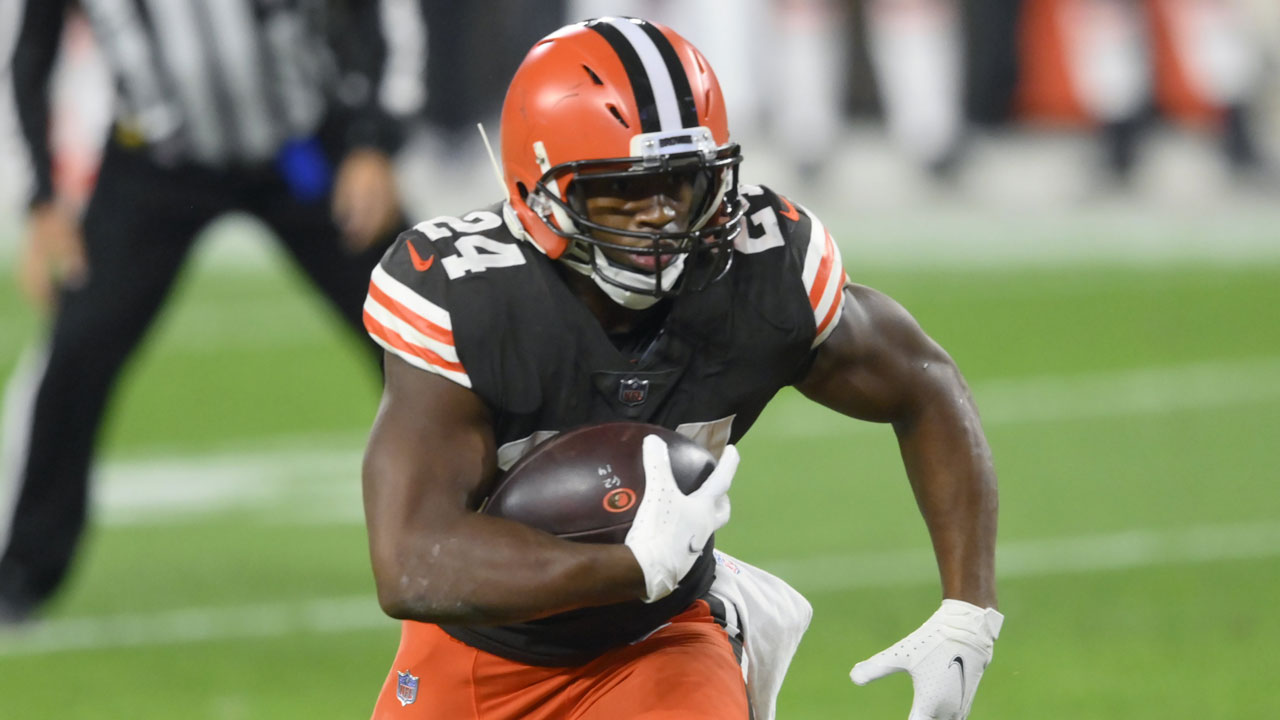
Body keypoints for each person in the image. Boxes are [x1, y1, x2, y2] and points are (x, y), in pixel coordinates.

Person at [361, 16, 1002, 720]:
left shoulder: (762, 271)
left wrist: (968, 611)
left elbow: (927, 386)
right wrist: (628, 568)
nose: (660, 215)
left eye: (681, 182)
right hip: (478, 650)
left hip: (659, 639)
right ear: (539, 188)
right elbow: (411, 559)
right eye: (623, 189)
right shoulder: (469, 294)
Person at [0, 0, 406, 623]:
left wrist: (371, 143)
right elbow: (34, 52)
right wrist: (44, 200)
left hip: (301, 149)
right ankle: (25, 570)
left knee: (426, 328)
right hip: (155, 161)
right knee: (77, 349)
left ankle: (497, 520)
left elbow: (360, 15)